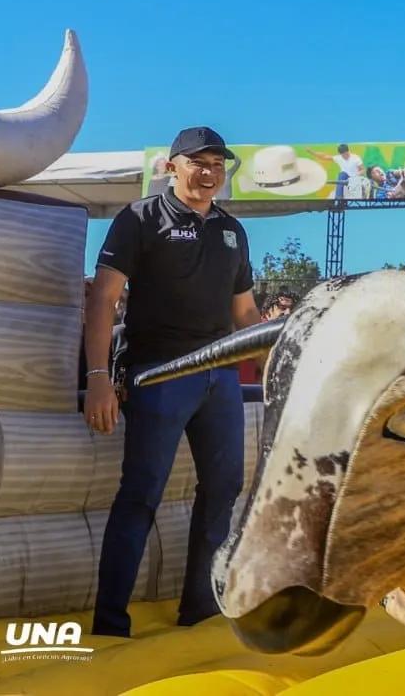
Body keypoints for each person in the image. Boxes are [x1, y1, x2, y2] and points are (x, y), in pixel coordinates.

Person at [83, 126, 260, 637]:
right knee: (140, 495)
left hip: (219, 376)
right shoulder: (139, 218)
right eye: (197, 163)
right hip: (158, 373)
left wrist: (286, 354)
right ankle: (110, 625)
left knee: (224, 488)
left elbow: (246, 313)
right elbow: (103, 300)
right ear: (171, 167)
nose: (208, 173)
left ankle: (200, 611)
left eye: (217, 164)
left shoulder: (232, 230)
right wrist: (98, 377)